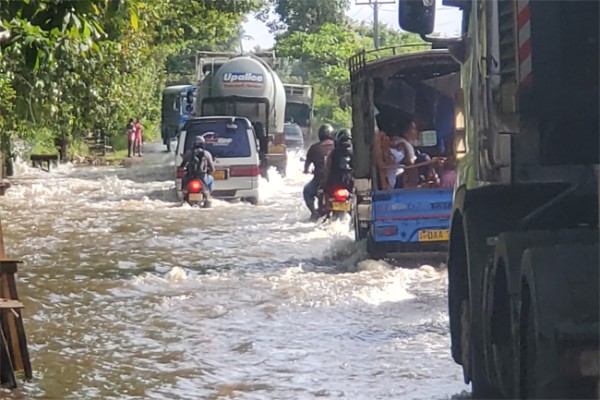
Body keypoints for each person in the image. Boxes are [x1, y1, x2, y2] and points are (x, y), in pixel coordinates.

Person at [303, 123, 335, 220]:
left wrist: (306, 171)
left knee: (307, 191)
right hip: (337, 181)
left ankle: (314, 213)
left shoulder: (314, 148)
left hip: (320, 181)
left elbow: (306, 166)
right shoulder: (337, 147)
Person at [323, 128, 354, 194]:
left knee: (323, 192)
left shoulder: (333, 153)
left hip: (334, 182)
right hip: (350, 183)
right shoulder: (355, 153)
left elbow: (328, 167)